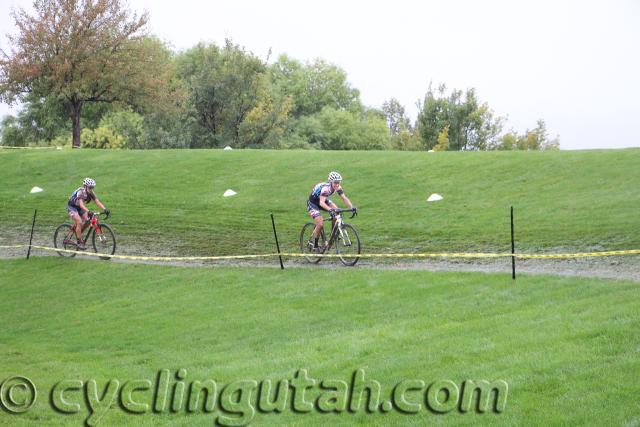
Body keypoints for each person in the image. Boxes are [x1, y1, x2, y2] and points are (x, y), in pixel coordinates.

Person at [306, 171, 357, 250]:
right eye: (335, 183)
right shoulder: (326, 189)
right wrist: (330, 210)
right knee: (320, 223)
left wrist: (352, 207)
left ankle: (332, 235)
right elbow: (321, 203)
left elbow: (344, 198)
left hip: (323, 199)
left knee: (337, 213)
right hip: (313, 203)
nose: (337, 184)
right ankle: (315, 244)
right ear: (331, 182)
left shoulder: (338, 187)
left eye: (338, 182)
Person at [66, 178, 109, 249]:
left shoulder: (91, 193)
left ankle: (78, 234)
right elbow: (81, 205)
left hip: (79, 208)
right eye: (90, 187)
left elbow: (97, 201)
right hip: (72, 207)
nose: (91, 189)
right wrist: (88, 211)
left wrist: (105, 209)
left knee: (88, 221)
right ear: (85, 186)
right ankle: (79, 241)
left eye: (92, 187)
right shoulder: (81, 192)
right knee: (79, 221)